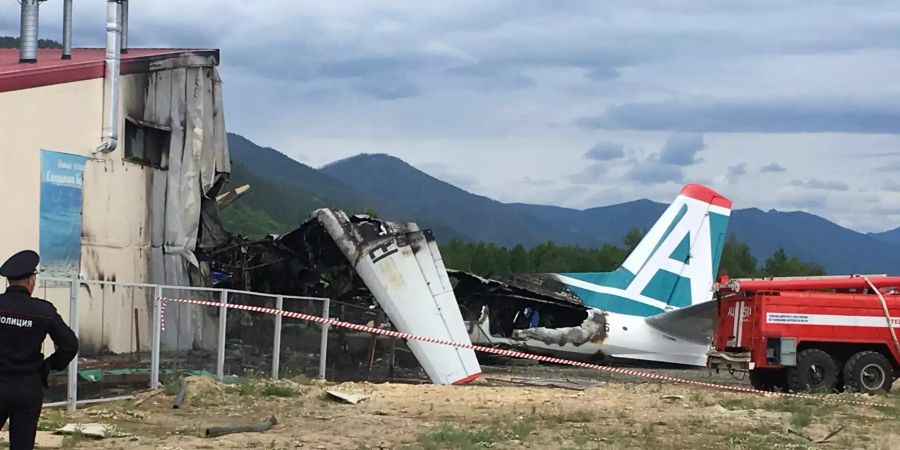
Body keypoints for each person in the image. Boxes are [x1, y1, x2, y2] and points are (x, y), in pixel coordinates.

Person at [0, 250, 78, 450]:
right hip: (28, 387)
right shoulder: (44, 311)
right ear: (30, 280)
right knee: (22, 444)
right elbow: (70, 344)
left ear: (9, 280)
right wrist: (49, 365)